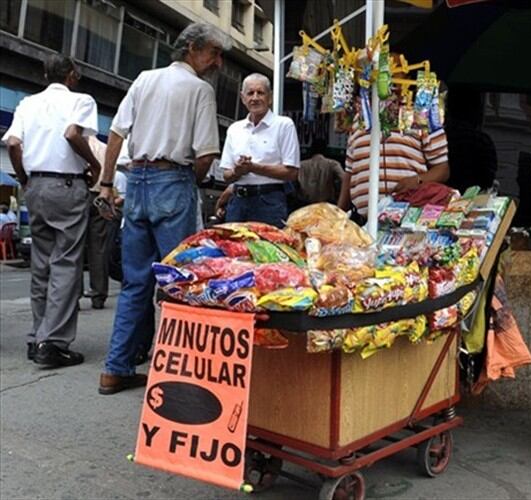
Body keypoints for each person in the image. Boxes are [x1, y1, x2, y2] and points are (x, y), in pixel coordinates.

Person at [95, 22, 229, 395]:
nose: (218, 62)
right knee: (181, 282)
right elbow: (204, 156)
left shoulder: (144, 79)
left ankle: (115, 368)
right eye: (214, 53)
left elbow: (117, 133)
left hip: (136, 181)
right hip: (173, 180)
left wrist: (107, 184)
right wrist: (191, 180)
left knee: (136, 282)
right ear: (192, 49)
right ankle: (177, 373)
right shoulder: (200, 90)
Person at [1, 54, 102, 368]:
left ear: (46, 74)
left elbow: (14, 144)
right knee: (66, 263)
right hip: (67, 185)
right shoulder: (82, 100)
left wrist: (23, 177)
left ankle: (37, 336)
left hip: (36, 186)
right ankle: (53, 343)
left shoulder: (28, 103)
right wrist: (95, 164)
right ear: (72, 75)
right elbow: (73, 134)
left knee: (41, 264)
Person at [337, 104, 450, 218]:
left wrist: (417, 180)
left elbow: (442, 169)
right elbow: (350, 173)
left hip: (406, 218)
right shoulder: (359, 120)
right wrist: (338, 215)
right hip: (364, 222)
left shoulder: (421, 115)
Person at [220, 73, 299, 228]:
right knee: (235, 250)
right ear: (243, 98)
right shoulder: (234, 129)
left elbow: (292, 172)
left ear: (269, 97)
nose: (255, 98)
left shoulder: (283, 125)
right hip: (238, 201)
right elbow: (226, 175)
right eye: (250, 93)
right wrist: (238, 171)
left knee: (267, 249)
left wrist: (254, 168)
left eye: (260, 92)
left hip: (269, 201)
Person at [445, 88, 498, 193]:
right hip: (474, 198)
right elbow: (488, 177)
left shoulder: (439, 138)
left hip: (440, 198)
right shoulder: (482, 140)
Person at [84, 136, 112, 309]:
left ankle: (73, 295)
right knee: (98, 249)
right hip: (101, 196)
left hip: (80, 194)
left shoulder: (80, 145)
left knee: (74, 248)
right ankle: (99, 295)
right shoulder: (105, 148)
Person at [296, 140, 346, 206]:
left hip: (304, 204)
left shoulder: (301, 165)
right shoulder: (333, 164)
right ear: (325, 150)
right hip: (326, 205)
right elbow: (344, 180)